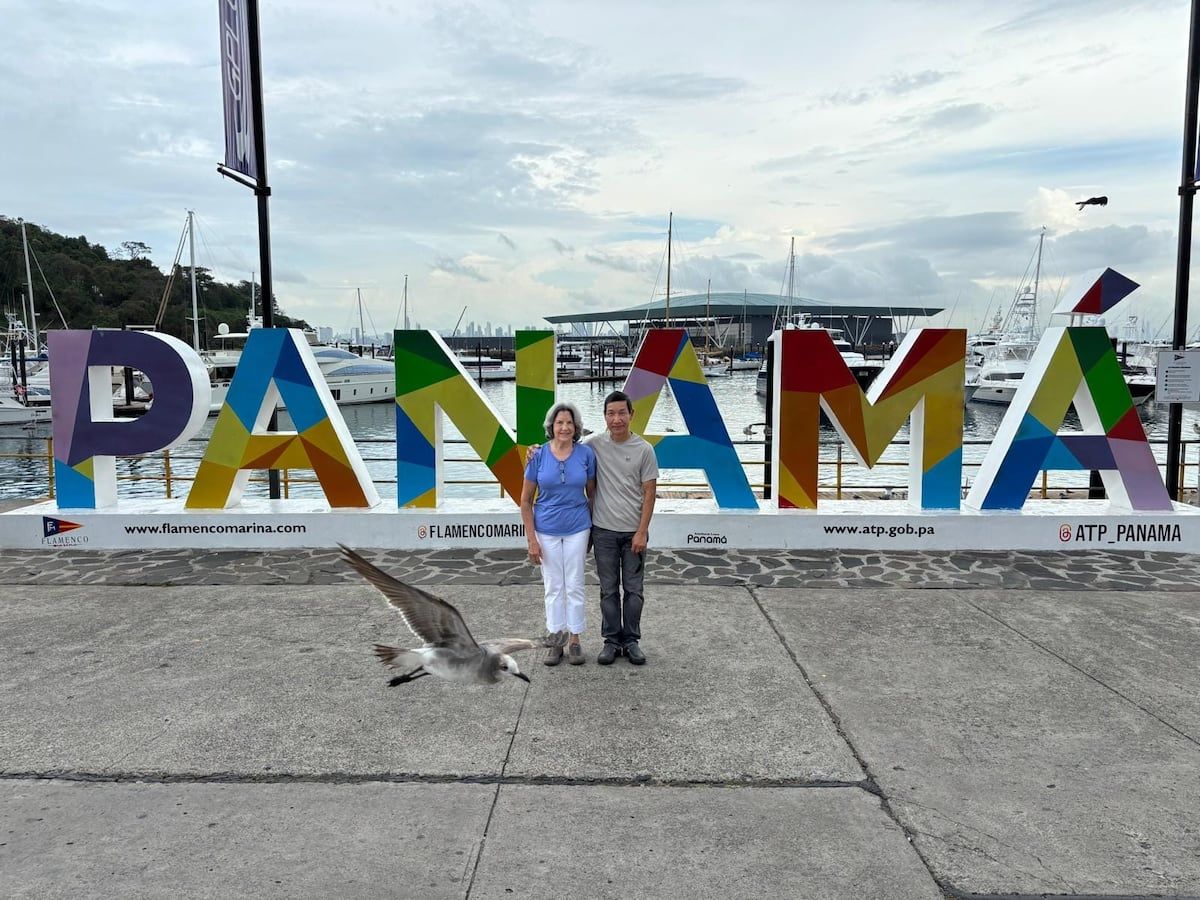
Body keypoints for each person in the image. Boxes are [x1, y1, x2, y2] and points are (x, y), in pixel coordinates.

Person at [520, 402, 597, 666]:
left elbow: (592, 494)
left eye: (569, 423)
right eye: (559, 422)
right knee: (553, 586)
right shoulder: (537, 455)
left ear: (576, 427)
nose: (564, 427)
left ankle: (574, 640)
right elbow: (525, 501)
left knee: (574, 584)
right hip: (546, 530)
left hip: (578, 528)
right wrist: (531, 539)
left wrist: (592, 530)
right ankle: (556, 639)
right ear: (551, 426)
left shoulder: (586, 454)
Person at [586, 390, 658, 666]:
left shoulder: (644, 450)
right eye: (611, 413)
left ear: (631, 415)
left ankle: (631, 641)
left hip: (633, 533)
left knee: (634, 590)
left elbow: (649, 493)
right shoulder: (593, 445)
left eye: (621, 413)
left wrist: (642, 531)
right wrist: (535, 449)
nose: (616, 419)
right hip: (603, 531)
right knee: (608, 590)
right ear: (604, 417)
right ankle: (611, 641)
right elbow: (562, 445)